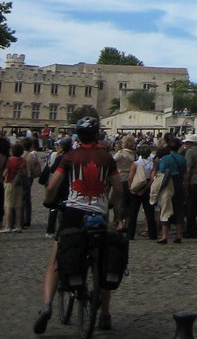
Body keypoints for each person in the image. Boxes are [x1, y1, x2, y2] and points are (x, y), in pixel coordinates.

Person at [33, 115, 122, 334]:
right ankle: (105, 313)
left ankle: (46, 307)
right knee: (102, 262)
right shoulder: (107, 158)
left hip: (73, 211)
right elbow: (118, 189)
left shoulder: (70, 157)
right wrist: (108, 205)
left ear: (77, 135)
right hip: (99, 214)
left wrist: (48, 200)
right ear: (97, 134)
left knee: (55, 260)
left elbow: (52, 185)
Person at [155, 137, 187, 244]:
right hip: (179, 184)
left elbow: (161, 173)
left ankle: (164, 235)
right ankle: (178, 235)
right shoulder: (182, 158)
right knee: (178, 210)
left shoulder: (165, 159)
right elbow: (185, 174)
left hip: (168, 185)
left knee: (165, 209)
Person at [127, 144, 157, 241]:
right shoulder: (152, 164)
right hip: (147, 186)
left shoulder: (136, 163)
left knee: (133, 212)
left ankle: (130, 234)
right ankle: (153, 234)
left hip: (136, 185)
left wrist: (131, 187)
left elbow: (130, 177)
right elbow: (153, 178)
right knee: (149, 212)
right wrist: (146, 188)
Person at [2, 142, 27, 232]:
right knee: (18, 206)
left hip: (9, 182)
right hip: (19, 184)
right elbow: (25, 172)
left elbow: (6, 171)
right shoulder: (23, 161)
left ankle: (8, 226)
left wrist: (2, 179)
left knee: (8, 205)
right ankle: (18, 226)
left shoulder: (10, 160)